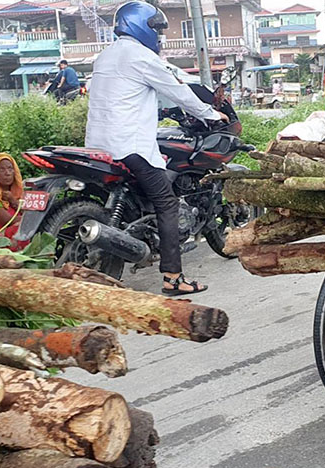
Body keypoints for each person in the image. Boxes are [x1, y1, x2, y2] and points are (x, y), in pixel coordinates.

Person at [86, 0, 228, 296]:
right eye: (157, 30)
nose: (160, 37)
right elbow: (178, 91)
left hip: (98, 147)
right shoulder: (141, 57)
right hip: (129, 146)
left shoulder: (105, 56)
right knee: (167, 203)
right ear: (142, 27)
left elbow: (125, 96)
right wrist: (211, 114)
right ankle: (173, 278)